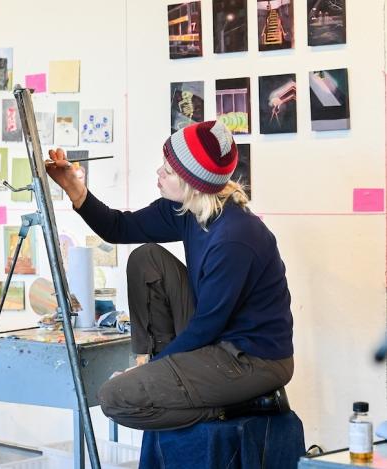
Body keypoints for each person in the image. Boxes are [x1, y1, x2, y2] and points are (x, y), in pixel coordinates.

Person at [46, 120, 293, 431]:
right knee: (145, 258)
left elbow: (206, 327)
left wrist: (147, 372)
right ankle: (162, 368)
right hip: (216, 338)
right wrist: (73, 186)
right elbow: (118, 228)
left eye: (169, 171)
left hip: (252, 360)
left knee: (115, 398)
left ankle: (239, 406)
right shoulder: (188, 208)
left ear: (193, 182)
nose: (159, 173)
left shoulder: (234, 237)